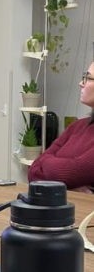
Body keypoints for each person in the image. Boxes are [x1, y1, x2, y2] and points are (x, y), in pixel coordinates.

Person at [28, 62, 94, 191]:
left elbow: (67, 173)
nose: (81, 83)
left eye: (88, 77)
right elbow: (33, 171)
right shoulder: (76, 126)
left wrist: (46, 162)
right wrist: (70, 185)